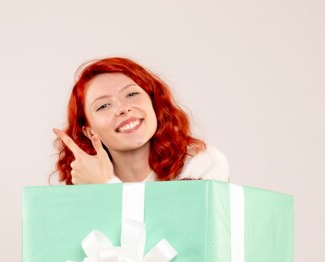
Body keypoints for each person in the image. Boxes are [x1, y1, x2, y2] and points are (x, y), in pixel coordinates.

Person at [53, 57, 229, 184]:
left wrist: (106, 187)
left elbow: (180, 233)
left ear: (153, 101)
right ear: (90, 131)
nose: (123, 108)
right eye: (103, 106)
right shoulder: (85, 180)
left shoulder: (201, 162)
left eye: (131, 94)